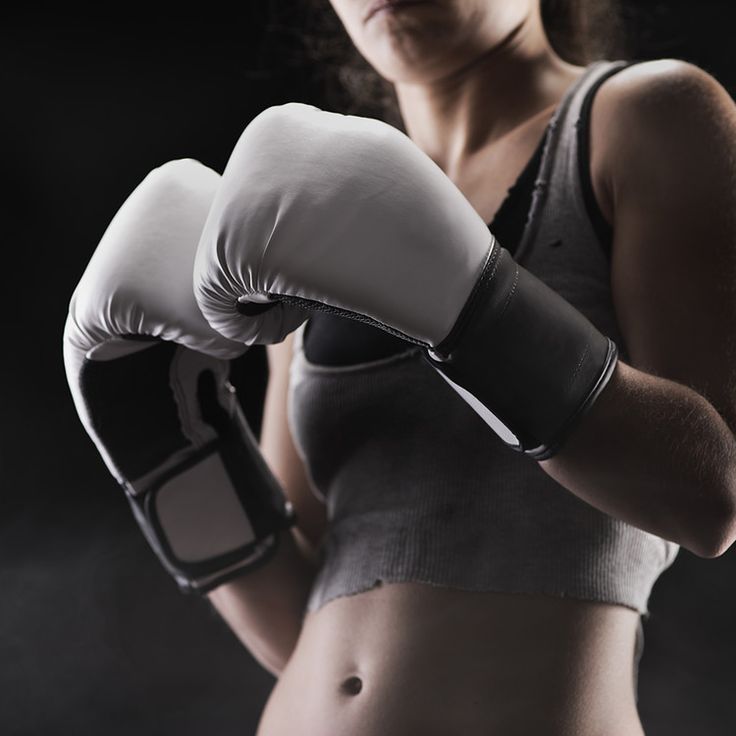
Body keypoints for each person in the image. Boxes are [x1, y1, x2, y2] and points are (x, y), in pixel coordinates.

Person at [66, 1, 736, 734]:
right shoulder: (301, 213)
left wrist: (473, 308)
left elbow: (713, 497)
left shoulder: (645, 116)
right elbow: (303, 619)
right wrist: (171, 448)